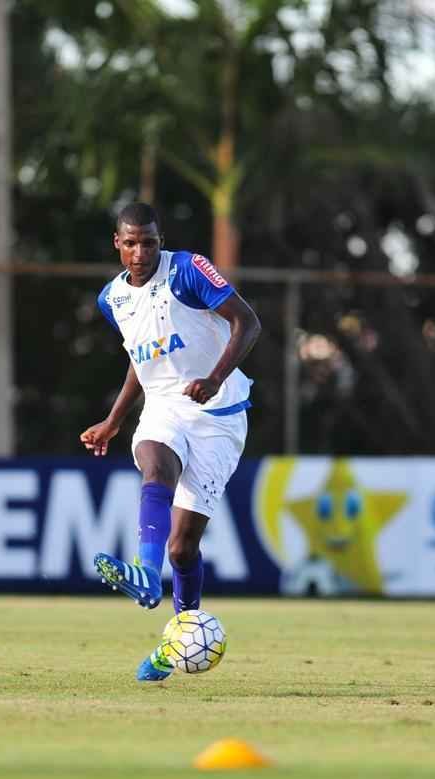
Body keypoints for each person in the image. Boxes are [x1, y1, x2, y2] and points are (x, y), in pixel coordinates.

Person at [81, 202, 261, 681]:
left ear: (161, 241)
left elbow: (249, 322)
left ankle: (174, 645)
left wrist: (216, 377)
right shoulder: (111, 299)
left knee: (183, 550)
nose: (141, 252)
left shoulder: (188, 269)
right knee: (155, 464)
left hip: (219, 414)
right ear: (117, 243)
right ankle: (143, 571)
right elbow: (141, 359)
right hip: (164, 405)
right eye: (132, 242)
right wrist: (114, 420)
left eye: (150, 242)